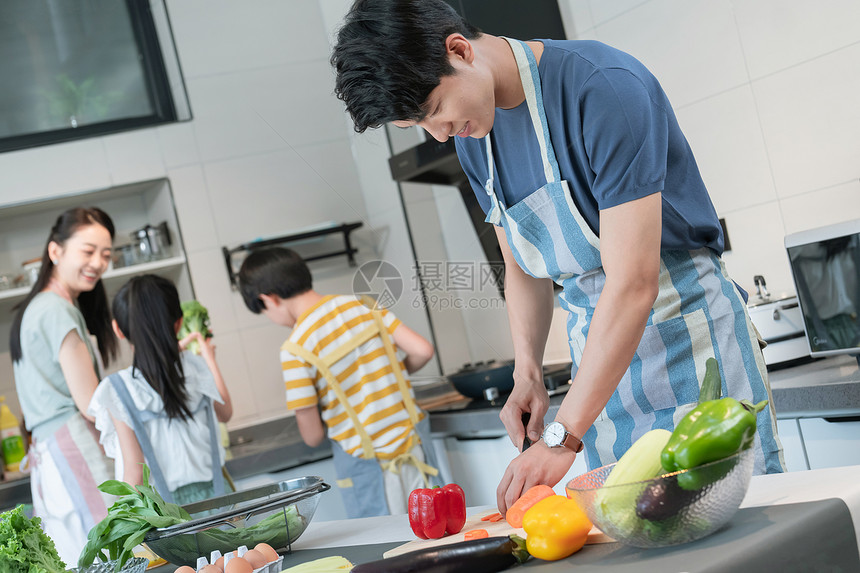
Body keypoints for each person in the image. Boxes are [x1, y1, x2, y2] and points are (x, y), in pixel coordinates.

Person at [330, 0, 786, 514]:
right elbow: (522, 266)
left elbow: (634, 283)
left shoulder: (602, 87)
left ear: (458, 50)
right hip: (598, 372)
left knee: (734, 524)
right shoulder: (475, 139)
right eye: (419, 126)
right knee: (635, 531)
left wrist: (564, 436)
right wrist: (527, 373)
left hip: (689, 341)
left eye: (434, 111)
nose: (438, 134)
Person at [237, 247, 441, 518]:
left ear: (269, 299)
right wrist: (390, 375)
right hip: (416, 453)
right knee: (436, 532)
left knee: (389, 549)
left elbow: (312, 436)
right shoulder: (365, 305)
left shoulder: (296, 348)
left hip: (369, 472)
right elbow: (423, 350)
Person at [9, 207, 119, 563]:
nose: (99, 263)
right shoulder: (57, 310)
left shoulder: (37, 308)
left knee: (77, 560)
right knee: (109, 558)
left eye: (105, 254)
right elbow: (91, 403)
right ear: (55, 251)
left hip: (51, 457)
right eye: (88, 251)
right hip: (75, 450)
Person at [88, 274, 233, 505]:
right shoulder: (195, 367)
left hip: (165, 517)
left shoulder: (118, 389)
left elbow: (135, 474)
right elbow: (225, 413)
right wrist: (208, 358)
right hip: (221, 504)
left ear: (118, 329)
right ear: (179, 323)